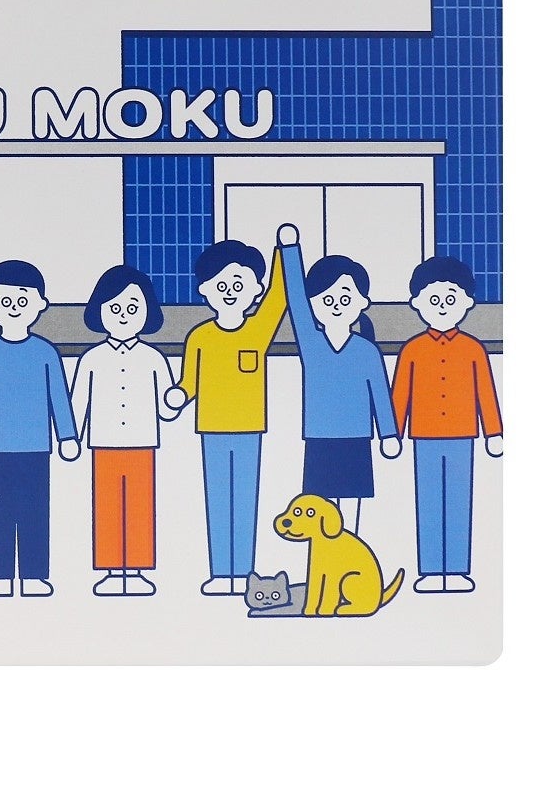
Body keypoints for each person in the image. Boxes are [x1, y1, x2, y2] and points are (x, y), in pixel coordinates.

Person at [165, 238, 291, 596]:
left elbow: (279, 297)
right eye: (221, 285)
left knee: (245, 502)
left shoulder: (258, 330)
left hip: (250, 428)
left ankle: (244, 572)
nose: (230, 292)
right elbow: (189, 382)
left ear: (255, 290)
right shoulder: (200, 337)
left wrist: (284, 251)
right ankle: (222, 573)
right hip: (212, 429)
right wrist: (178, 396)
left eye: (239, 284)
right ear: (205, 290)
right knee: (219, 502)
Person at [0, 259, 79, 598]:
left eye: (23, 300)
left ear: (40, 304)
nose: (13, 307)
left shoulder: (45, 352)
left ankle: (35, 575)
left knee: (35, 512)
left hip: (36, 448)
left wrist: (67, 435)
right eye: (5, 300)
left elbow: (59, 396)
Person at [278, 226, 401, 533]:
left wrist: (388, 434)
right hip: (319, 438)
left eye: (345, 298)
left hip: (357, 438)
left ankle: (350, 552)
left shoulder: (367, 351)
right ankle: (324, 557)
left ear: (362, 302)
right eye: (327, 299)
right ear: (314, 304)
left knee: (351, 507)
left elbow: (381, 395)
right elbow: (296, 300)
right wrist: (290, 251)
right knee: (319, 509)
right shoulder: (311, 343)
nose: (335, 305)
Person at [391, 255, 503, 593]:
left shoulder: (473, 349)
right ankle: (430, 570)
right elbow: (400, 392)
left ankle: (455, 569)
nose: (442, 306)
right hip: (423, 435)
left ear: (467, 302)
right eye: (433, 299)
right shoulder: (412, 349)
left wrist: (494, 432)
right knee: (428, 502)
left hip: (462, 434)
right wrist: (393, 432)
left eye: (450, 299)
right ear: (417, 303)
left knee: (457, 501)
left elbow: (486, 391)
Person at [68, 263, 180, 596]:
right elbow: (78, 401)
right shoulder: (91, 358)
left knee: (139, 508)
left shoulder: (153, 358)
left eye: (133, 308)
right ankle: (112, 570)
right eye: (115, 308)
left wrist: (175, 400)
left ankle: (138, 569)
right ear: (99, 311)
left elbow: (166, 408)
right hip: (102, 443)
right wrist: (71, 437)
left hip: (142, 442)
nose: (123, 316)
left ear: (148, 312)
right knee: (108, 509)